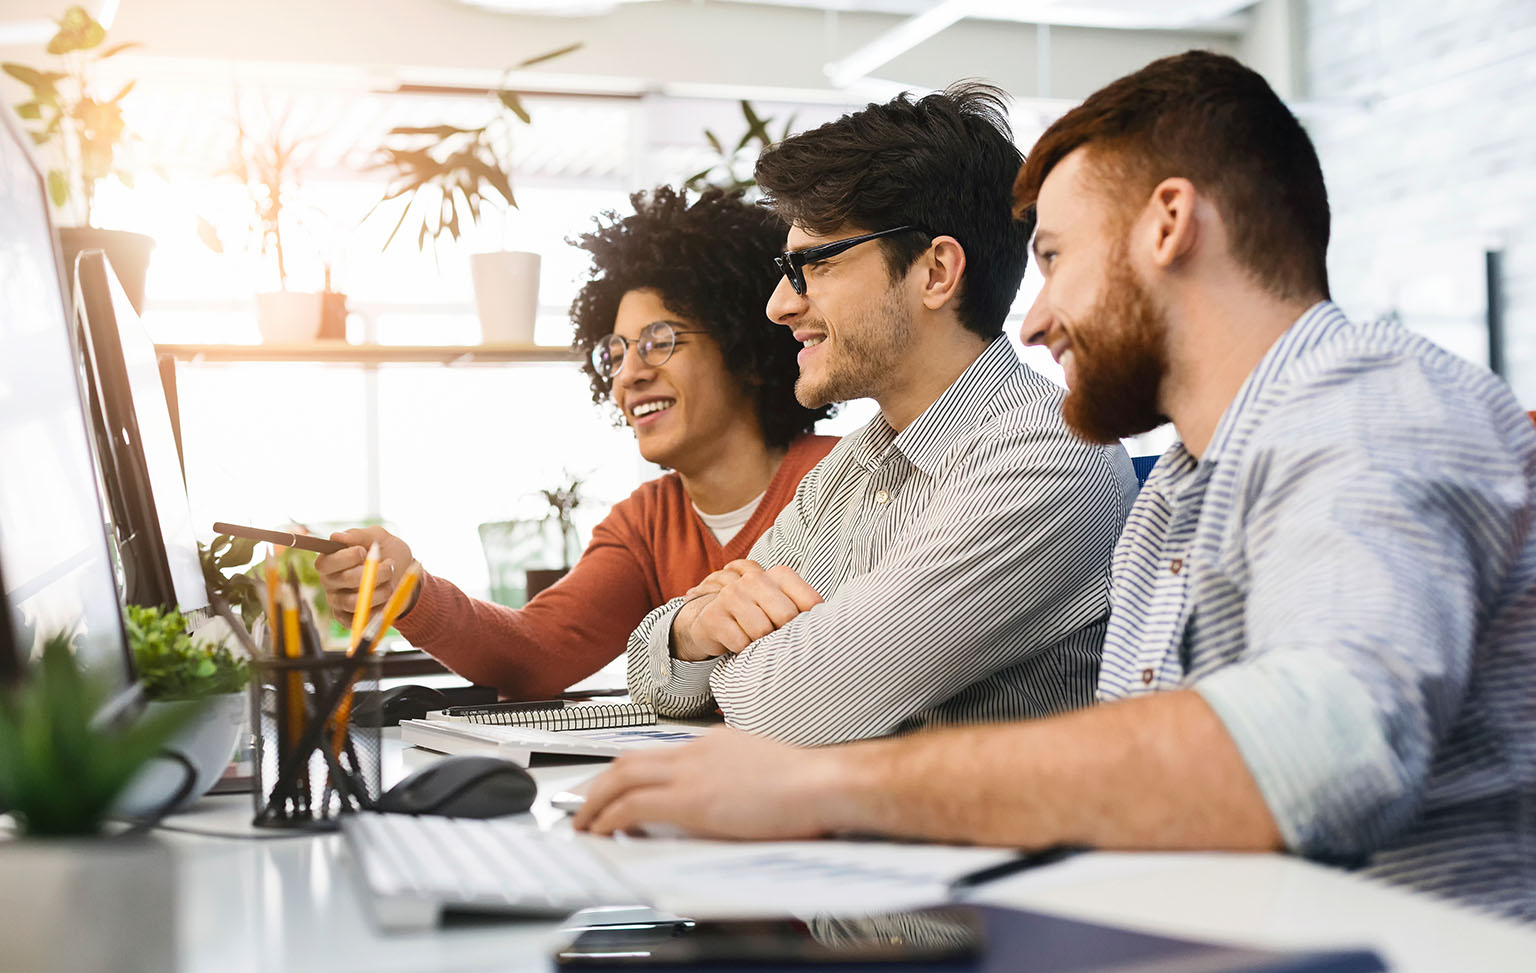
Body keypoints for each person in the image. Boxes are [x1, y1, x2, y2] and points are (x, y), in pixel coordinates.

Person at [575, 52, 1536, 924]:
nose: (1031, 324)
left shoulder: (1368, 405)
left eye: (1057, 258)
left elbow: (1325, 744)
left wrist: (827, 785)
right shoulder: (1187, 484)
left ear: (1171, 224)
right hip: (1208, 950)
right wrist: (718, 656)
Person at [626, 83, 1137, 746]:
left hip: (968, 846)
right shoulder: (855, 463)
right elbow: (652, 667)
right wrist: (694, 626)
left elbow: (793, 706)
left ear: (935, 272)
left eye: (814, 264)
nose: (780, 304)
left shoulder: (1049, 458)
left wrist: (739, 652)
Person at [315, 187, 837, 698]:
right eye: (615, 352)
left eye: (659, 342)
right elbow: (534, 652)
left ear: (745, 349)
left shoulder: (848, 475)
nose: (628, 374)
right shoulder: (645, 523)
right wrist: (406, 588)